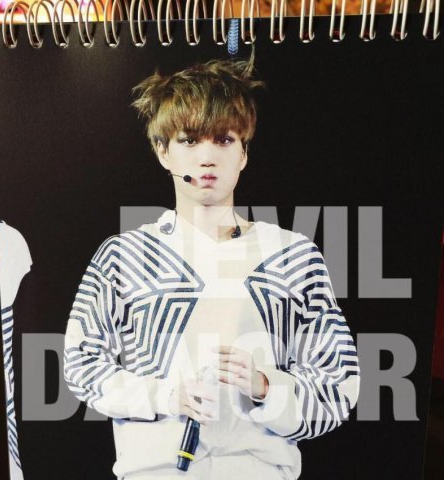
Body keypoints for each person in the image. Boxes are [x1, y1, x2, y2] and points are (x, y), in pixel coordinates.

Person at [63, 58, 360, 480]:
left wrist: (265, 387)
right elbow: (82, 364)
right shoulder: (124, 256)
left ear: (243, 153)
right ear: (163, 151)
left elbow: (338, 383)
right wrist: (165, 396)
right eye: (188, 140)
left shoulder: (292, 255)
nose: (206, 158)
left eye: (223, 139)